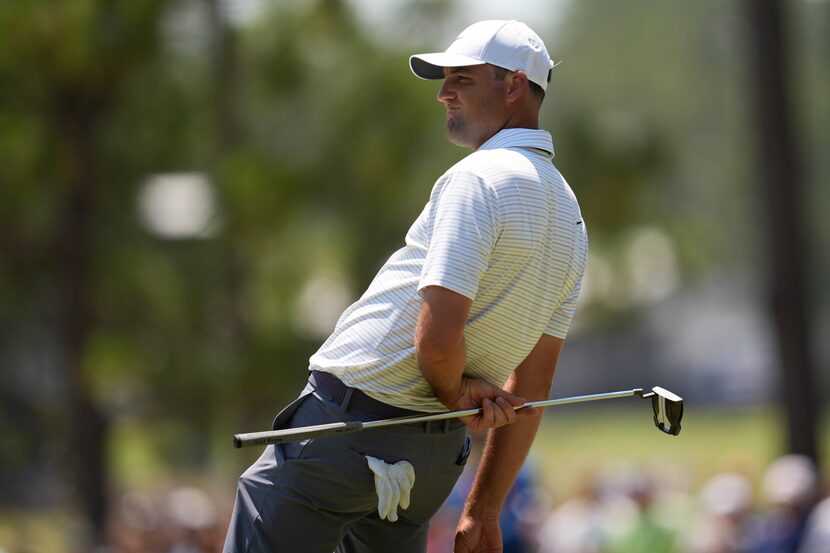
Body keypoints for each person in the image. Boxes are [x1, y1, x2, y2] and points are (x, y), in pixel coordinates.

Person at [223, 19, 588, 553]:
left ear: (513, 85)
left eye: (461, 79)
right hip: (432, 461)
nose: (444, 93)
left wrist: (454, 392)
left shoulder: (477, 178)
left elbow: (436, 342)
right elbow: (533, 385)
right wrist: (484, 512)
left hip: (348, 432)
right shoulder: (571, 216)